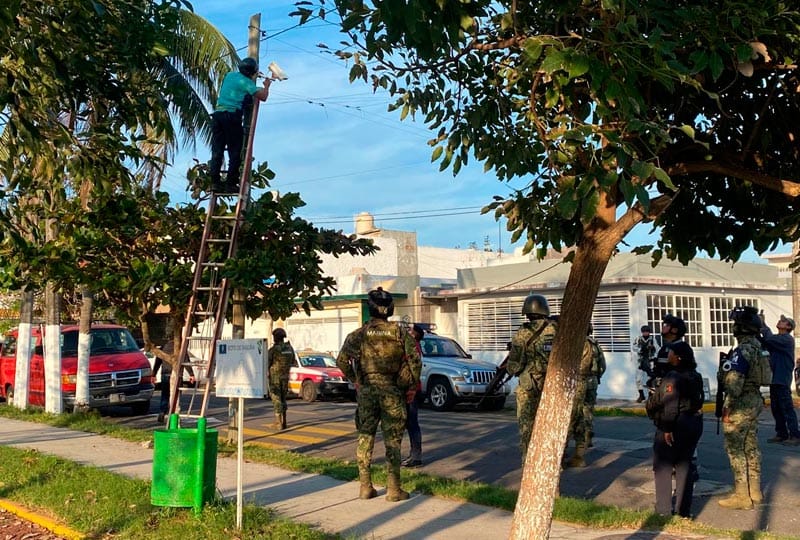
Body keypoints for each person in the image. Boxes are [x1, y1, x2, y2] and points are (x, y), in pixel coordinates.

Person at [336, 288, 421, 501]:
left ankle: (365, 487)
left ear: (370, 308)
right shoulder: (400, 333)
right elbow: (415, 362)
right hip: (393, 392)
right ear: (390, 309)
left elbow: (341, 361)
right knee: (393, 441)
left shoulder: (358, 335)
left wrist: (356, 380)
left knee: (365, 438)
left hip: (367, 392)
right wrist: (411, 387)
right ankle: (394, 489)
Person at [645, 341, 704, 517]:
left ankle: (663, 510)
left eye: (671, 352)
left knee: (663, 466)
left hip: (676, 424)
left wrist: (667, 429)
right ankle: (683, 511)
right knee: (684, 466)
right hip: (693, 423)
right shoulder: (695, 375)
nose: (668, 355)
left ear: (678, 358)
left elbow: (670, 405)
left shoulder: (673, 377)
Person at [718, 306, 766, 509]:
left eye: (736, 324)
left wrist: (723, 375)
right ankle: (755, 491)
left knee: (735, 449)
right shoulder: (759, 347)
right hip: (754, 400)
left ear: (742, 328)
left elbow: (734, 385)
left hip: (740, 404)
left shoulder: (742, 351)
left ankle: (741, 496)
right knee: (751, 446)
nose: (733, 328)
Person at [506, 293, 557, 464]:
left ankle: (529, 460)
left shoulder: (523, 332)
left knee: (527, 424)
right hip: (551, 385)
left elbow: (514, 363)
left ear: (527, 312)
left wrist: (511, 369)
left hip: (529, 386)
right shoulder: (556, 329)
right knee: (550, 424)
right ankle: (552, 460)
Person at [208, 57, 271, 193]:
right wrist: (266, 85)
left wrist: (252, 78)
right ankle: (231, 183)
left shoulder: (230, 75)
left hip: (218, 115)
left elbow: (239, 86)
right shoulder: (247, 83)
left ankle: (214, 183)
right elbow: (263, 96)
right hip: (231, 117)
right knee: (235, 152)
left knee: (217, 151)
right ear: (252, 72)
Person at [760, 314, 800, 445]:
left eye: (783, 321)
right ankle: (781, 433)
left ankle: (795, 435)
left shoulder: (786, 339)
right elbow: (766, 341)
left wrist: (762, 324)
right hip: (774, 379)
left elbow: (769, 338)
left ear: (788, 327)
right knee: (776, 408)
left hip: (782, 379)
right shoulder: (777, 339)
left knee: (787, 408)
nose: (780, 321)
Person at [563, 325, 596, 468]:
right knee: (580, 417)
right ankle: (579, 455)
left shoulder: (580, 343)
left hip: (575, 383)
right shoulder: (591, 344)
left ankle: (562, 456)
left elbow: (579, 366)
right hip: (586, 382)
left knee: (569, 420)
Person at [152, 340, 195, 424]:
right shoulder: (180, 348)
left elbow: (158, 361)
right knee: (176, 395)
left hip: (165, 373)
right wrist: (191, 374)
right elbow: (186, 360)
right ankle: (174, 413)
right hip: (176, 373)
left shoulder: (163, 347)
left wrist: (154, 374)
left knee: (165, 394)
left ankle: (162, 411)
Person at [401, 324, 424, 468]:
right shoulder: (413, 345)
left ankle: (416, 457)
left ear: (414, 335)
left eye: (410, 330)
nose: (407, 331)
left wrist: (412, 388)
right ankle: (414, 455)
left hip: (410, 389)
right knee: (410, 423)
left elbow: (413, 367)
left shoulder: (412, 346)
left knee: (411, 423)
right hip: (410, 388)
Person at [583, 324, 606, 449]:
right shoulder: (595, 345)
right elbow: (603, 365)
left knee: (575, 411)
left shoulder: (575, 344)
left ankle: (577, 440)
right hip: (592, 381)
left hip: (577, 381)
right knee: (588, 409)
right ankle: (588, 437)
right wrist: (597, 376)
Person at [267, 327, 294, 430]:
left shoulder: (273, 350)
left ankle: (278, 423)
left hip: (275, 379)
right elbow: (292, 361)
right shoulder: (290, 348)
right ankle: (284, 421)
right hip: (285, 377)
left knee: (276, 399)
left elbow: (267, 363)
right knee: (283, 398)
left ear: (275, 338)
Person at [633, 324, 658, 402]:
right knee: (638, 379)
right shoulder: (638, 339)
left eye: (647, 332)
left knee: (650, 379)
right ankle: (641, 395)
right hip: (641, 361)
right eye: (644, 332)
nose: (645, 333)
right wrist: (641, 349)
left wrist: (653, 350)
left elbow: (658, 349)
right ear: (642, 332)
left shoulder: (652, 340)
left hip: (650, 361)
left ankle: (651, 396)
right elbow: (634, 347)